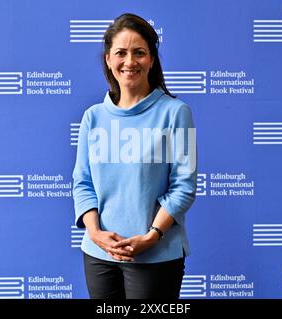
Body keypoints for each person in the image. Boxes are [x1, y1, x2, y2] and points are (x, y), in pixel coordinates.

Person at [72, 13, 197, 299]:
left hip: (157, 255)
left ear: (152, 59)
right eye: (121, 53)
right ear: (108, 59)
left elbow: (184, 186)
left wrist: (152, 236)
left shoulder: (176, 113)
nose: (130, 62)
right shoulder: (92, 117)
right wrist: (95, 233)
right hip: (98, 255)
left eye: (139, 53)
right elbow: (82, 182)